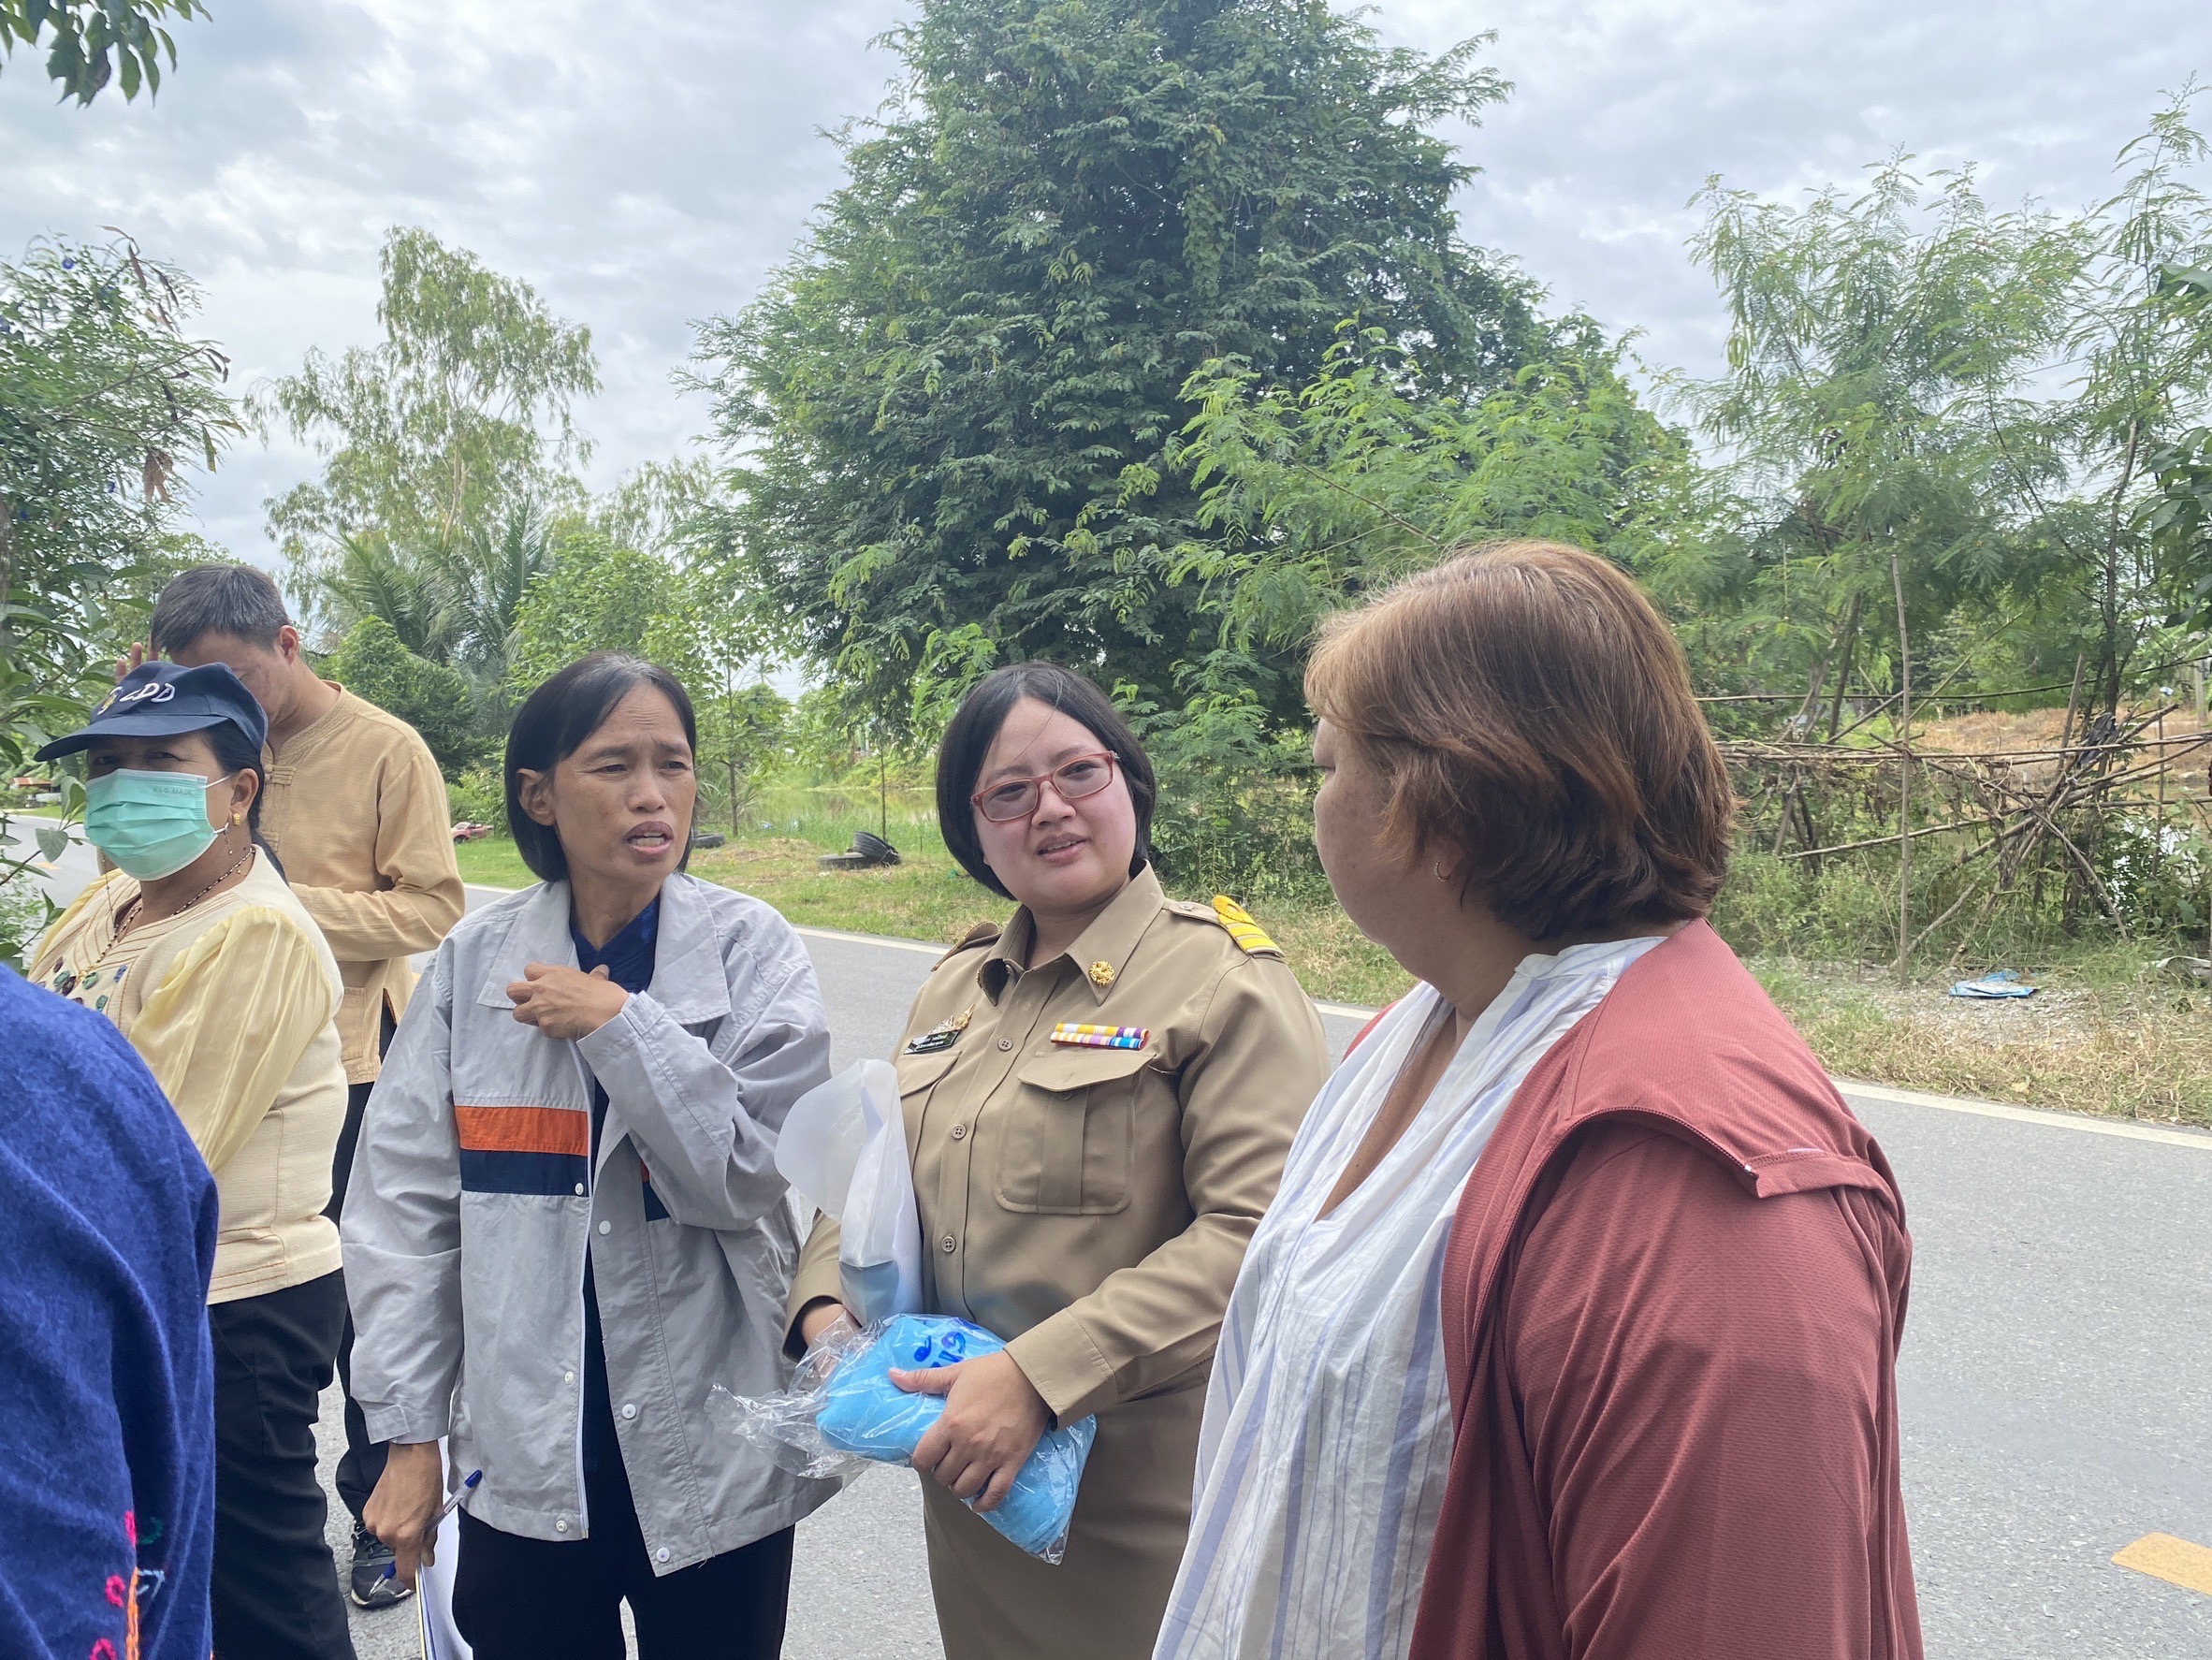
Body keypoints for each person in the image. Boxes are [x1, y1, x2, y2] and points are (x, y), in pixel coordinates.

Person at [1155, 542, 1922, 1660]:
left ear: (1439, 810)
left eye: (1328, 765)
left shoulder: (1683, 1188)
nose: (1316, 805)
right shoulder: (1429, 1027)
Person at [786, 663, 1332, 1660]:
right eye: (1008, 792)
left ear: (1129, 781)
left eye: (1079, 771)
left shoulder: (1223, 981)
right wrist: (826, 1313)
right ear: (972, 829)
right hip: (975, 1492)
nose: (1051, 808)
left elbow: (1260, 1236)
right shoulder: (955, 986)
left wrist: (1038, 1378)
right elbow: (869, 1175)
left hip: (1145, 1513)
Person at [342, 652, 837, 1660]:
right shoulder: (473, 969)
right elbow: (405, 1215)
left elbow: (741, 1178)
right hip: (527, 1453)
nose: (653, 795)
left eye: (673, 764)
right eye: (614, 765)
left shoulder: (753, 951)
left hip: (714, 1447)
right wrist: (408, 1435)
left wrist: (621, 1023)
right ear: (539, 794)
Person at [141, 561, 466, 1607]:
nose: (223, 705)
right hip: (215, 1066)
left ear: (288, 643)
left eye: (236, 678)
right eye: (198, 686)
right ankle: (214, 1515)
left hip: (348, 1065)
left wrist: (275, 902)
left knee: (365, 1301)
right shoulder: (196, 751)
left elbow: (433, 907)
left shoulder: (386, 749)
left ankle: (380, 1510)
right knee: (240, 1301)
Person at [27, 661, 360, 1660]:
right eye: (108, 765)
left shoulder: (255, 932)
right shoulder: (115, 903)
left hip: (234, 1303)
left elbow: (157, 1153)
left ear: (239, 789)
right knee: (156, 1573)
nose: (124, 785)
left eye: (160, 761)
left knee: (262, 1585)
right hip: (133, 1284)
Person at [0, 963, 220, 1660]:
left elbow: (207, 1119)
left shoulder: (264, 932)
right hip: (141, 1221)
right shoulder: (79, 1040)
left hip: (246, 1268)